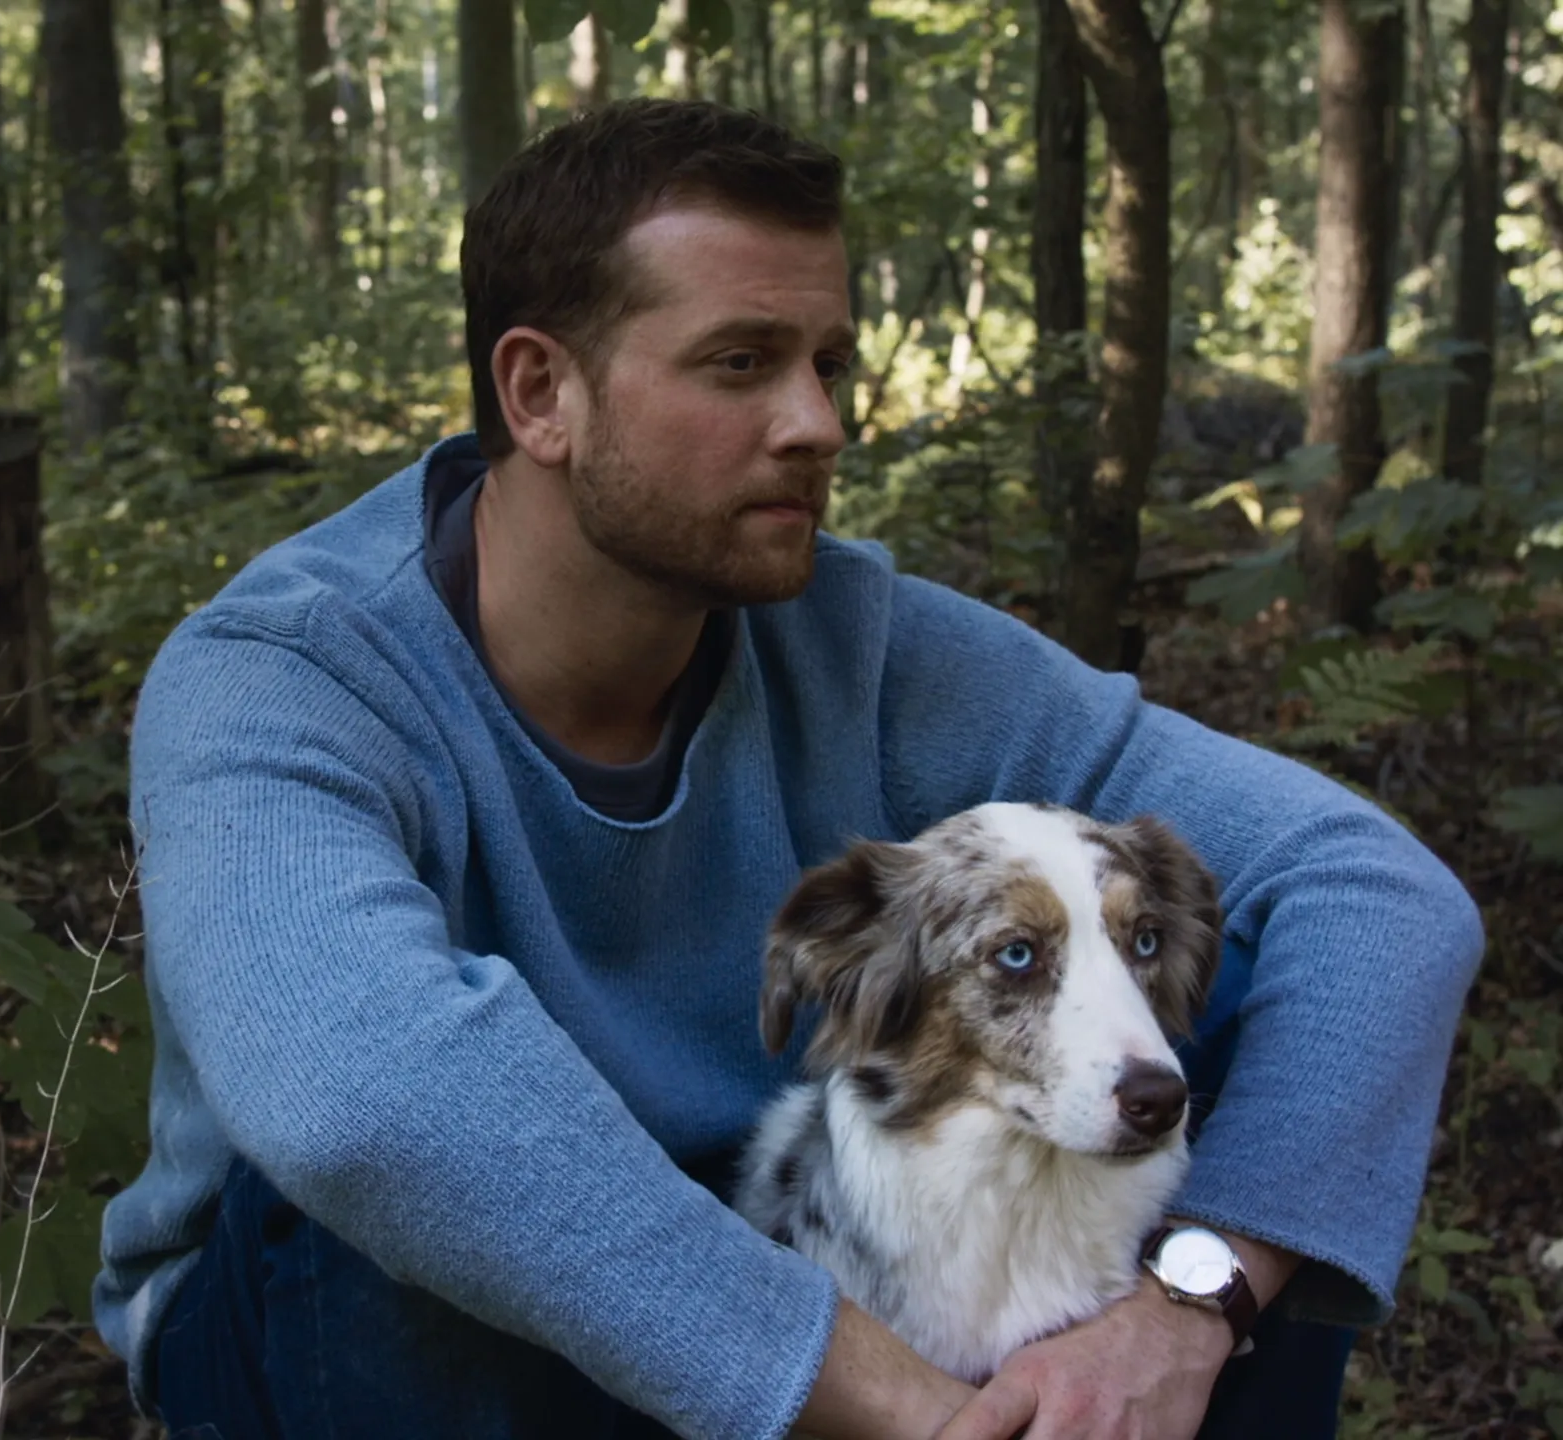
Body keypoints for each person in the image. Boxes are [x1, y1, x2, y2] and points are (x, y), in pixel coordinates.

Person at [91, 100, 1481, 1440]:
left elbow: (1372, 892)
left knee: (1175, 987)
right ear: (539, 392)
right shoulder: (287, 679)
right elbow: (359, 1102)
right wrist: (912, 1411)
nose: (817, 425)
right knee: (404, 1211)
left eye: (830, 364)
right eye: (741, 363)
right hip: (333, 1328)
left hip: (762, 1226)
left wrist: (1196, 1300)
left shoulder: (861, 641)